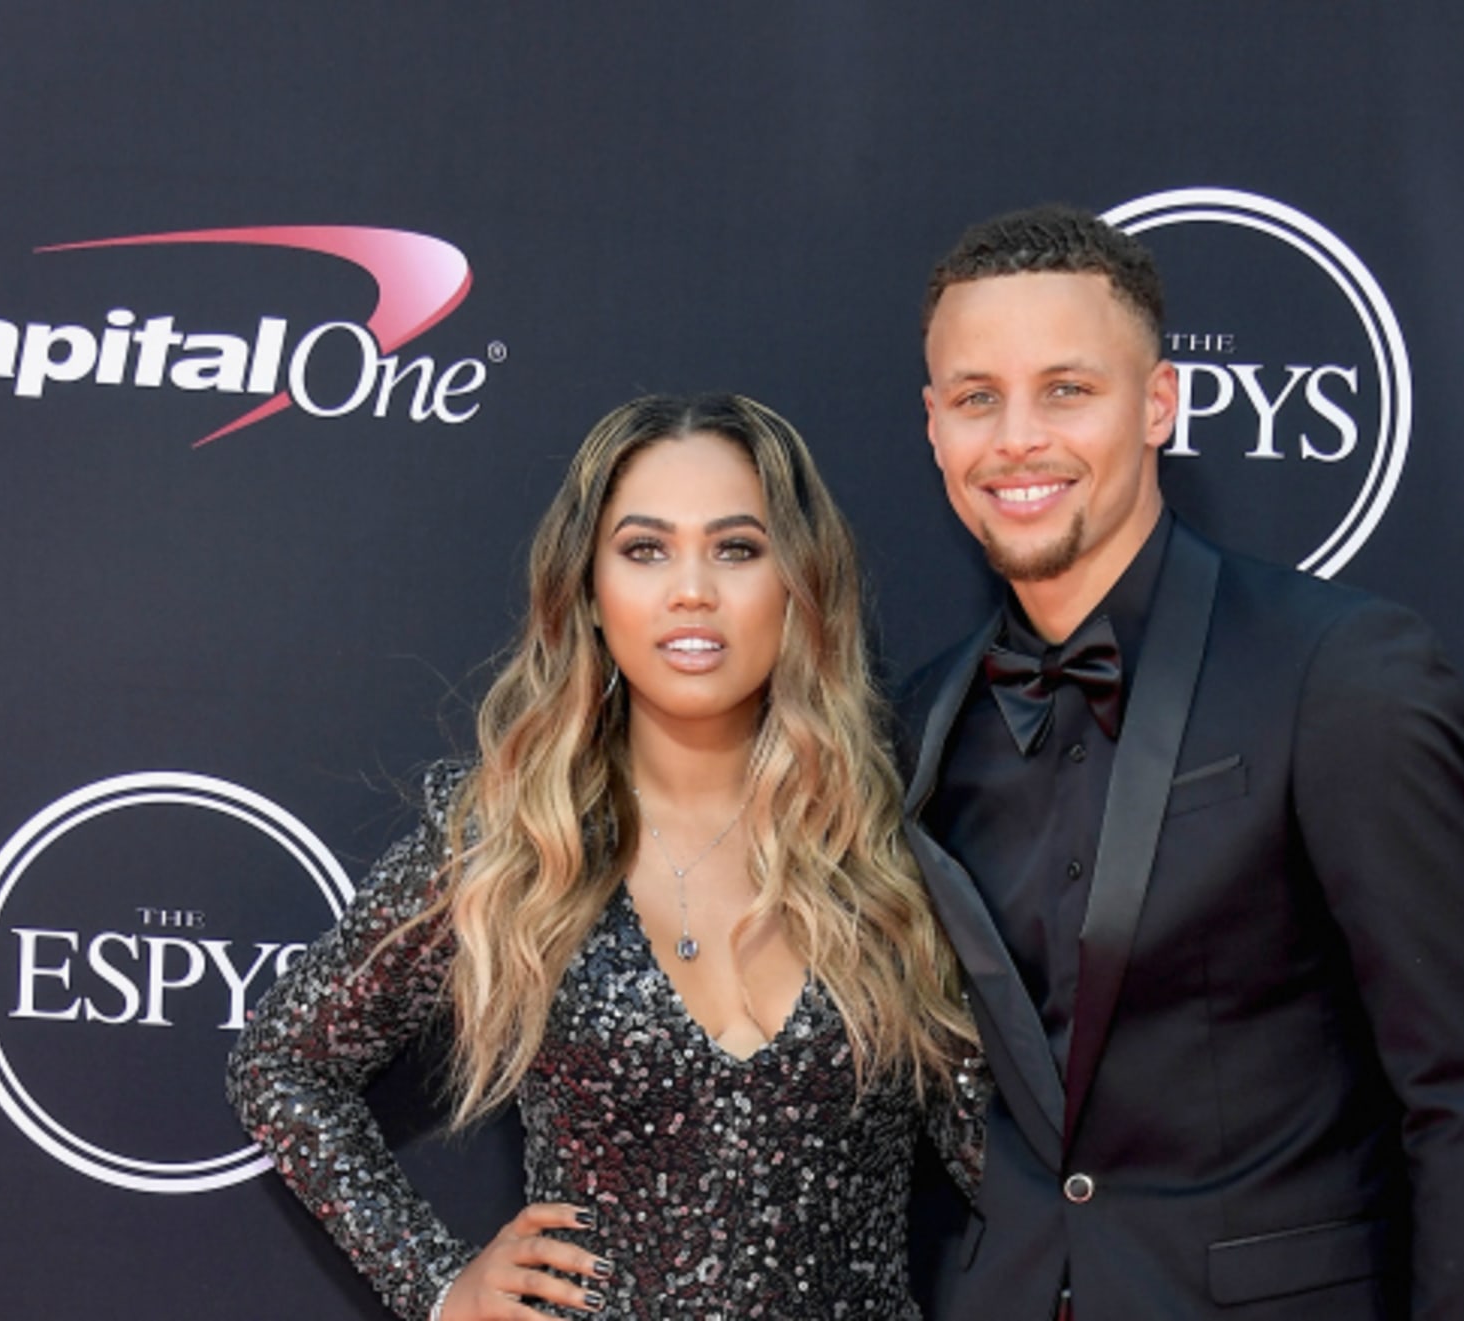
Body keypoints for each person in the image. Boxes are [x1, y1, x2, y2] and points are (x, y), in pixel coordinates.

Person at [899, 206, 1464, 1319]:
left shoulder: (1337, 672)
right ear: (933, 426)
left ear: (1159, 404)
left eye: (1067, 389)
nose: (1015, 438)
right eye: (975, 397)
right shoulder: (920, 718)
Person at [230, 394, 981, 1321]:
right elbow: (281, 1063)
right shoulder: (507, 836)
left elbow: (1007, 1159)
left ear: (800, 583)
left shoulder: (894, 841)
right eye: (645, 548)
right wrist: (433, 1283)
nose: (692, 589)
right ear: (587, 589)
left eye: (738, 548)